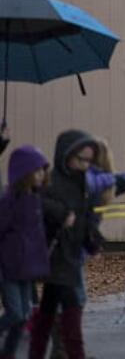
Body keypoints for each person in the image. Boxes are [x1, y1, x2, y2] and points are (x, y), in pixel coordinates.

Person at [29, 130, 99, 359]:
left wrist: (92, 242)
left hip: (69, 256)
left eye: (89, 160)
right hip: (56, 257)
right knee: (70, 319)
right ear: (66, 155)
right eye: (81, 159)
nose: (86, 165)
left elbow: (84, 218)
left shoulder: (82, 183)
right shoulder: (52, 181)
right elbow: (37, 201)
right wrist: (60, 214)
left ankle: (37, 354)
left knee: (47, 318)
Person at [0, 145, 50, 359]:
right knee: (16, 313)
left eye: (42, 171)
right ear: (24, 173)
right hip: (8, 267)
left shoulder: (36, 200)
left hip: (26, 268)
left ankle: (7, 353)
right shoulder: (8, 202)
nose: (42, 175)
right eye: (37, 171)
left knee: (24, 315)